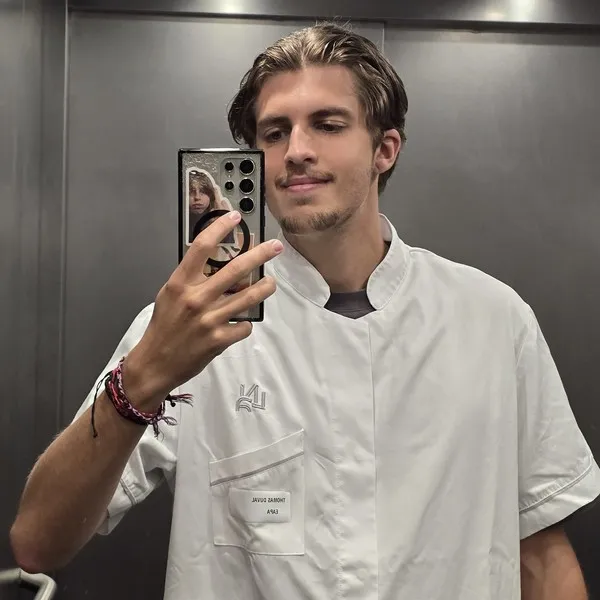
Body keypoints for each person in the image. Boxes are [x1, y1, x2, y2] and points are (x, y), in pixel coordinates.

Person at [10, 21, 600, 600]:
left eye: (327, 124)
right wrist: (141, 378)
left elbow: (541, 554)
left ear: (384, 149)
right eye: (274, 133)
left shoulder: (493, 321)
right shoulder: (190, 329)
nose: (296, 150)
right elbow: (38, 543)